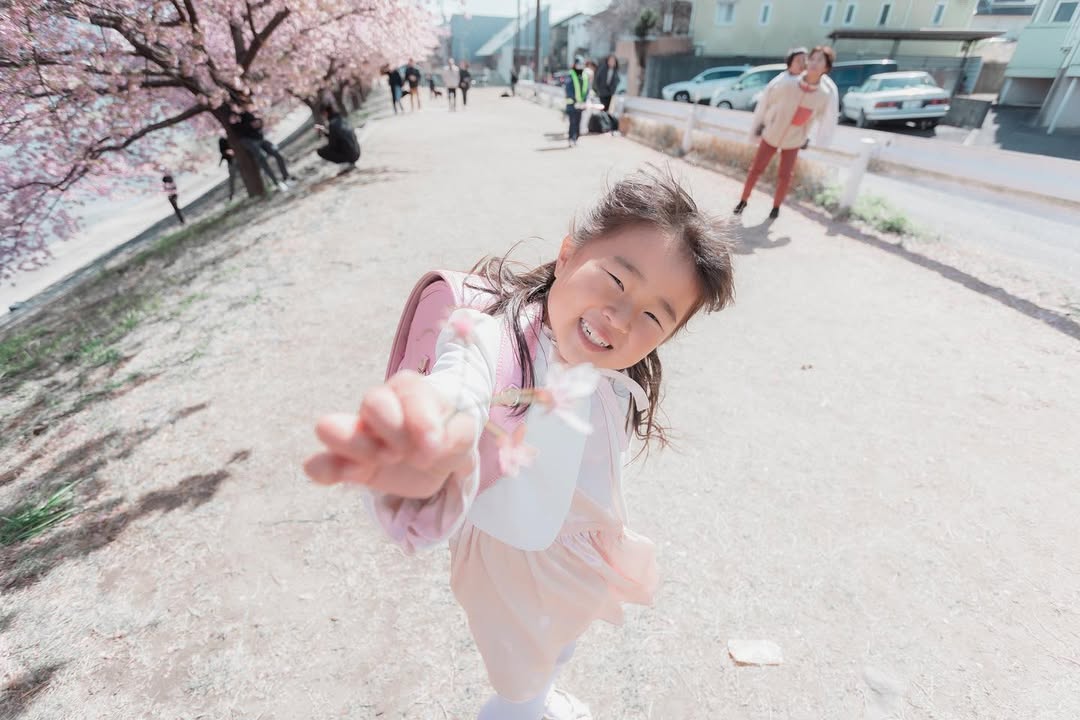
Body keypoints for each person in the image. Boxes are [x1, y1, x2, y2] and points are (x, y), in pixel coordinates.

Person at [304, 168, 736, 720]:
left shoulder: (614, 370)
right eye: (616, 280)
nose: (621, 318)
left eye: (654, 315)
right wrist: (432, 435)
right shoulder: (492, 337)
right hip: (517, 560)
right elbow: (459, 388)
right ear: (567, 256)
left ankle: (541, 695)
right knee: (520, 678)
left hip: (578, 543)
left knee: (562, 641)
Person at [734, 45, 837, 220]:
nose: (814, 63)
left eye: (820, 60)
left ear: (826, 68)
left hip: (794, 141)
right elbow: (768, 104)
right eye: (812, 58)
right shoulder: (787, 84)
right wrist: (765, 125)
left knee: (785, 176)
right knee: (756, 169)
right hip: (771, 135)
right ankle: (743, 201)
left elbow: (822, 118)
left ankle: (776, 207)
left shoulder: (824, 95)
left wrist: (807, 136)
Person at [230, 107, 292, 191]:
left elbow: (257, 122)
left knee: (277, 154)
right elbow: (239, 130)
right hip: (249, 142)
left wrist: (258, 123)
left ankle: (286, 177)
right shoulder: (233, 119)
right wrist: (249, 125)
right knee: (262, 158)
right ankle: (276, 182)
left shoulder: (246, 113)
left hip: (260, 139)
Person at [314, 105, 361, 169]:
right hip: (357, 152)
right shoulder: (342, 119)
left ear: (325, 113)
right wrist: (324, 131)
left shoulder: (332, 124)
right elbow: (337, 137)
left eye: (323, 115)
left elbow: (332, 145)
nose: (324, 117)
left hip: (350, 156)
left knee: (321, 151)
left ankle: (346, 163)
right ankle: (347, 162)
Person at [564, 56, 590, 147]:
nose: (580, 66)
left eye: (581, 64)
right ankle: (571, 138)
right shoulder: (571, 74)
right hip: (572, 104)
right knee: (572, 122)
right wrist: (575, 100)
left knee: (578, 122)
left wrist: (584, 100)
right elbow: (568, 89)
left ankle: (576, 138)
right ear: (574, 64)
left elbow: (586, 89)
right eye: (578, 64)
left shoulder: (584, 75)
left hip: (581, 104)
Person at [218, 137, 237, 202]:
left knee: (232, 180)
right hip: (232, 163)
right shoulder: (226, 149)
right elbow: (223, 155)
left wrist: (220, 163)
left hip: (232, 163)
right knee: (232, 180)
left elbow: (223, 155)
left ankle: (231, 194)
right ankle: (231, 194)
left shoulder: (225, 150)